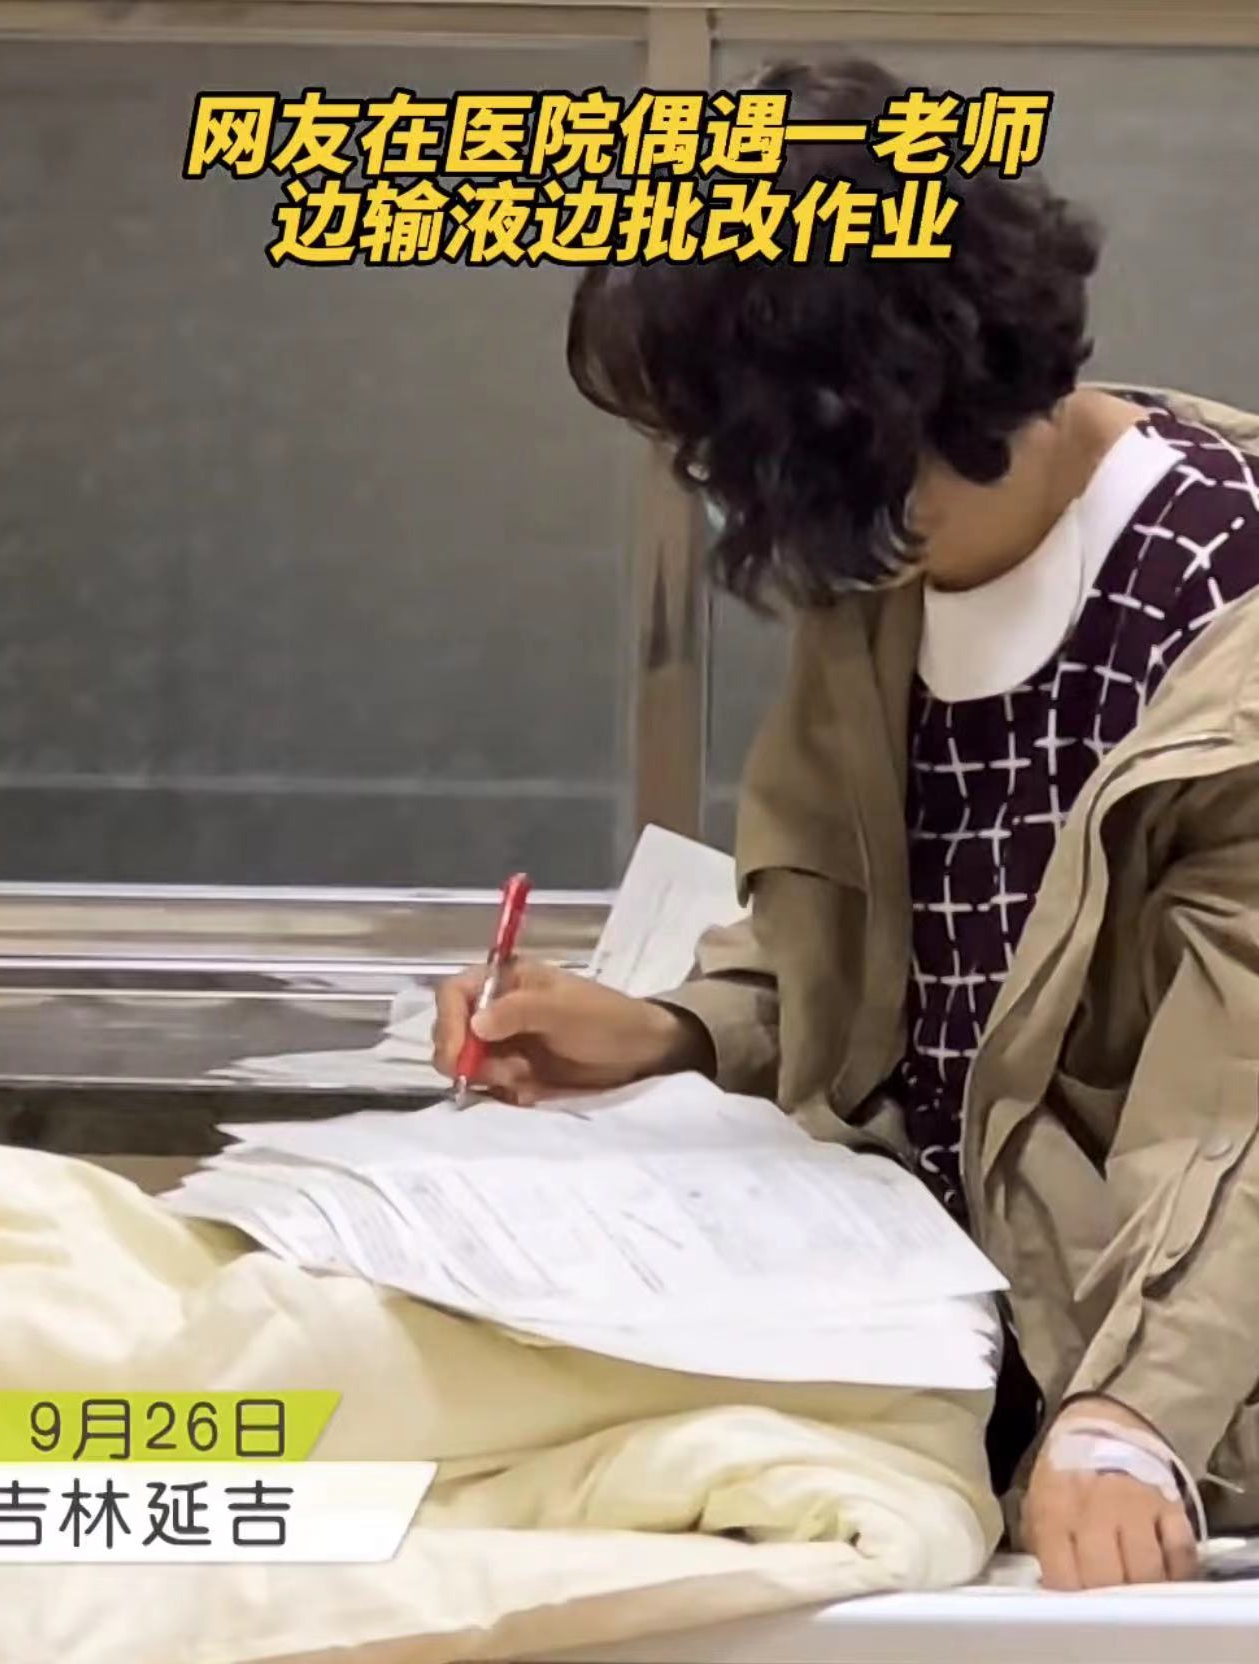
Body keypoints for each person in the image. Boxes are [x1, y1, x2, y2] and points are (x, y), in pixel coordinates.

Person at [433, 55, 1259, 1591]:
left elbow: (1241, 1108)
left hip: (1155, 1388)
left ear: (871, 414)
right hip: (928, 1330)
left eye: (733, 455)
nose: (722, 495)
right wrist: (671, 1030)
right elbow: (862, 938)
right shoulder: (884, 578)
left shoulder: (1218, 613)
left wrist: (1131, 1417)